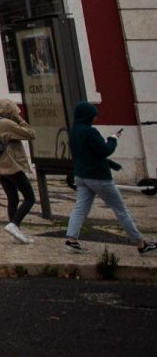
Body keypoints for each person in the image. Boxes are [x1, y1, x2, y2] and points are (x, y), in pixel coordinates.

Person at [64, 101, 156, 255]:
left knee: (79, 209)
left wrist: (112, 164)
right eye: (94, 115)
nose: (95, 118)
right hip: (99, 178)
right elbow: (105, 150)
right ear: (88, 116)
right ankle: (141, 244)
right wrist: (113, 139)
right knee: (121, 210)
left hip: (81, 176)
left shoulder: (74, 131)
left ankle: (71, 239)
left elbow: (88, 154)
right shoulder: (90, 132)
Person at [0, 97, 37, 243]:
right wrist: (19, 119)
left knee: (13, 198)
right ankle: (14, 225)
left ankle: (16, 231)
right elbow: (30, 134)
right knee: (29, 198)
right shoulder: (6, 123)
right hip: (10, 165)